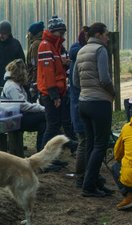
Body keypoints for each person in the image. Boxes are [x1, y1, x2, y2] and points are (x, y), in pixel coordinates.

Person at [73, 22, 115, 197]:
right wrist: (114, 93)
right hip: (99, 103)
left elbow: (75, 81)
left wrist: (86, 90)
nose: (107, 38)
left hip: (84, 103)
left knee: (91, 144)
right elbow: (105, 79)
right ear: (98, 35)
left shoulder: (81, 50)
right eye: (106, 35)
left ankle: (94, 182)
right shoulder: (100, 50)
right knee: (100, 145)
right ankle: (89, 186)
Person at [37, 15, 77, 158]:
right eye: (61, 32)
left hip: (56, 92)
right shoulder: (46, 45)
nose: (63, 35)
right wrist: (54, 95)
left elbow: (55, 68)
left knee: (54, 126)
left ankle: (50, 158)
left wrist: (63, 62)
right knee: (52, 126)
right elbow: (48, 73)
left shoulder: (54, 46)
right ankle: (42, 159)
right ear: (53, 31)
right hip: (50, 94)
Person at [1, 59, 46, 152]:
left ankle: (42, 152)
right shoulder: (12, 86)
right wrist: (42, 108)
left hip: (15, 116)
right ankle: (42, 151)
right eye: (25, 70)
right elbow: (23, 105)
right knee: (45, 116)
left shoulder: (14, 84)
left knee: (43, 125)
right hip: (12, 120)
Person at [69, 26, 89, 188]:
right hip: (80, 105)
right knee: (83, 142)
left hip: (79, 105)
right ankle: (81, 177)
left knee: (86, 141)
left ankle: (87, 176)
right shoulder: (79, 59)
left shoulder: (77, 56)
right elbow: (77, 84)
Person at [0, 20, 25, 87]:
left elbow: (21, 63)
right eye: (0, 33)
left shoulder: (15, 44)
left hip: (12, 82)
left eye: (3, 33)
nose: (1, 35)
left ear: (8, 33)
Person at [26, 21, 45, 103]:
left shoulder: (35, 45)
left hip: (35, 78)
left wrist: (33, 81)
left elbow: (35, 64)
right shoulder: (39, 42)